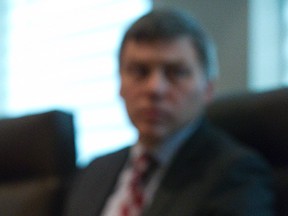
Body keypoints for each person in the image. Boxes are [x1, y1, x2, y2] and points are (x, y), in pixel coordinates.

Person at [63, 8, 274, 216]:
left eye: (176, 72)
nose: (155, 88)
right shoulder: (92, 172)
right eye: (139, 72)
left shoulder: (235, 174)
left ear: (208, 88)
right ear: (120, 84)